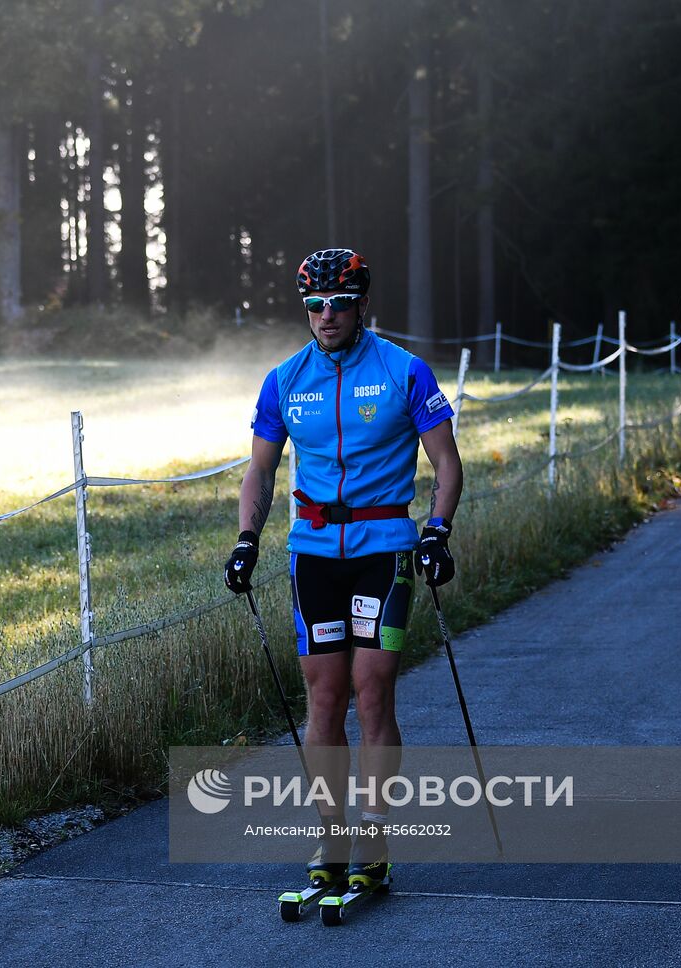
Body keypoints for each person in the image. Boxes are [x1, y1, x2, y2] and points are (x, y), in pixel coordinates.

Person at [223, 247, 464, 891]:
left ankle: (376, 833)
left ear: (361, 305)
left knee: (371, 688)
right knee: (324, 697)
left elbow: (447, 464)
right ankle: (332, 837)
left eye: (337, 303)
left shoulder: (403, 370)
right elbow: (261, 470)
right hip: (313, 556)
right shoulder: (284, 379)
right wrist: (248, 539)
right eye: (313, 305)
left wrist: (437, 531)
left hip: (385, 550)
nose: (325, 316)